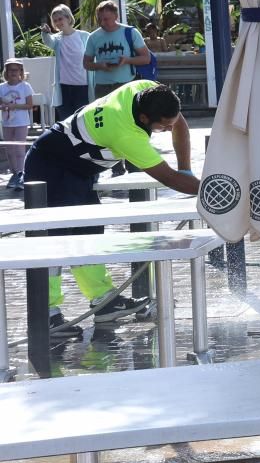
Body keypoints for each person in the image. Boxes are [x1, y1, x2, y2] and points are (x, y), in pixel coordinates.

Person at [25, 80, 200, 337]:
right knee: (54, 238)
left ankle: (103, 302)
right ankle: (46, 312)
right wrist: (216, 191)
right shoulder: (126, 133)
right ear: (143, 118)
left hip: (78, 168)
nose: (168, 129)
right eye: (163, 126)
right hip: (49, 164)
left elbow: (179, 124)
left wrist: (187, 168)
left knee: (90, 232)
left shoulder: (147, 90)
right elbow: (171, 180)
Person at [82, 0, 151, 100]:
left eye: (106, 19)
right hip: (103, 87)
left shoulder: (131, 33)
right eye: (99, 19)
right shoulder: (93, 37)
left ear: (116, 16)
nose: (102, 23)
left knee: (127, 115)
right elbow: (86, 63)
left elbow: (146, 58)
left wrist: (127, 60)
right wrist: (100, 66)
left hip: (126, 84)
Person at [44, 4, 90, 120]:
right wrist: (45, 33)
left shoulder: (84, 36)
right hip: (64, 87)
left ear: (69, 18)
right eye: (55, 21)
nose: (58, 22)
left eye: (60, 19)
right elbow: (49, 41)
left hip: (83, 86)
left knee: (82, 120)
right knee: (67, 122)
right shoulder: (57, 39)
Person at [0, 59, 35, 191]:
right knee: (9, 150)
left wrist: (15, 106)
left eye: (16, 70)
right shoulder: (2, 87)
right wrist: (3, 107)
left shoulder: (25, 86)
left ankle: (21, 173)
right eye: (11, 70)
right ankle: (14, 173)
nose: (13, 72)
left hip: (21, 122)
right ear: (6, 72)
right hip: (7, 122)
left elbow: (30, 105)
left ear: (21, 71)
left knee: (19, 149)